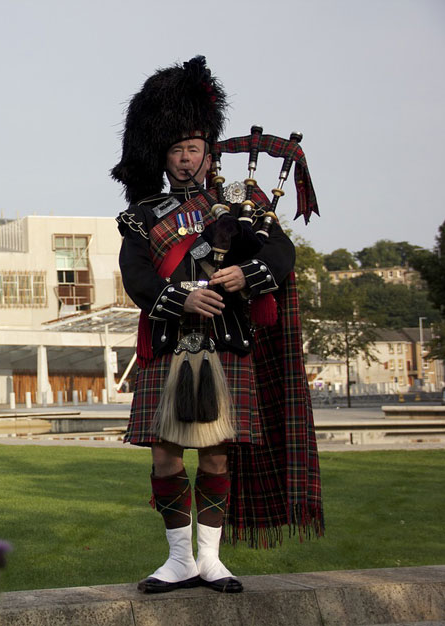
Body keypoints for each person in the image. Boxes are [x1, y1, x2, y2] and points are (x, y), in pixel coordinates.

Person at [111, 56, 324, 594]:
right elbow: (135, 275)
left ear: (210, 153)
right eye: (177, 150)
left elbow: (281, 250)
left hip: (226, 342)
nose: (185, 160)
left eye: (194, 150)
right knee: (164, 453)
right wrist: (180, 298)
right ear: (163, 155)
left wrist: (245, 273)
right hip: (168, 342)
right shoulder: (142, 215)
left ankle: (210, 559)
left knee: (216, 450)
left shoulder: (240, 201)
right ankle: (178, 558)